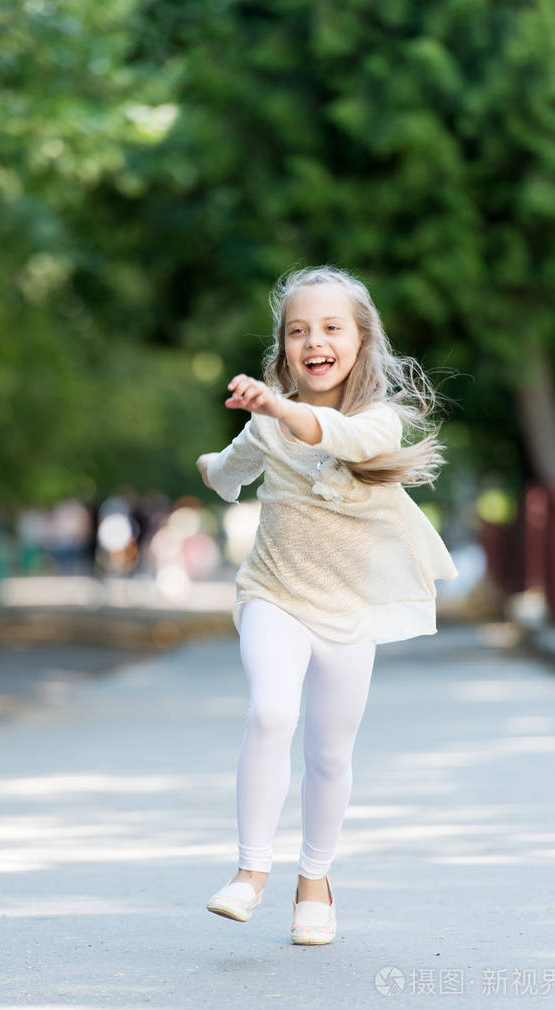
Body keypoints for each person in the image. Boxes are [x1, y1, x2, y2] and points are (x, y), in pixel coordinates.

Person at [195, 265, 458, 945]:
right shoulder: (266, 426)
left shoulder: (379, 422)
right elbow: (230, 469)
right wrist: (214, 467)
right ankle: (251, 872)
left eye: (331, 328)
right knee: (271, 709)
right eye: (297, 331)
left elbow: (345, 438)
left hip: (349, 609)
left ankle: (315, 881)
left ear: (361, 341)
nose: (314, 341)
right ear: (283, 349)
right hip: (273, 593)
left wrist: (281, 410)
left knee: (330, 752)